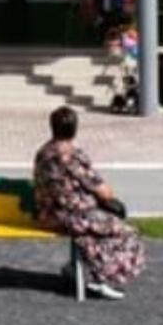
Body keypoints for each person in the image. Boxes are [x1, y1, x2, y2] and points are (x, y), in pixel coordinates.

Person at [32, 106, 145, 299]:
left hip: (49, 216)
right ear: (74, 129)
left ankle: (76, 269)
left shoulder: (43, 153)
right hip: (74, 217)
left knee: (90, 234)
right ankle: (103, 278)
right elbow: (103, 191)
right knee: (127, 232)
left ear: (52, 127)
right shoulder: (73, 156)